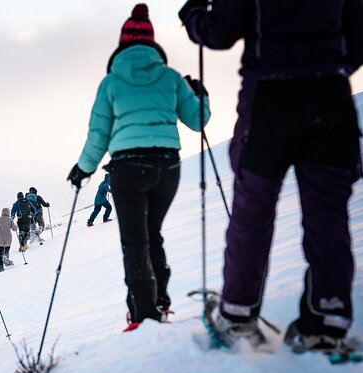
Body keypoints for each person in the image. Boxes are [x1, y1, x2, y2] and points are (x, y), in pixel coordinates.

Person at [179, 0, 362, 352]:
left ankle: (237, 314)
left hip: (270, 99)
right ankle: (327, 317)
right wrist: (326, 65)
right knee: (328, 213)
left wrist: (193, 15)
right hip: (330, 95)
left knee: (253, 209)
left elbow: (220, 31)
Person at [67, 3, 210, 331]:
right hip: (167, 167)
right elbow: (199, 120)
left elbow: (98, 134)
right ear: (152, 44)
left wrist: (83, 169)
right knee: (152, 233)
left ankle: (144, 312)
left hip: (128, 168)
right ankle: (160, 301)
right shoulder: (171, 78)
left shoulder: (111, 83)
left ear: (122, 45)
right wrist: (200, 95)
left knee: (134, 240)